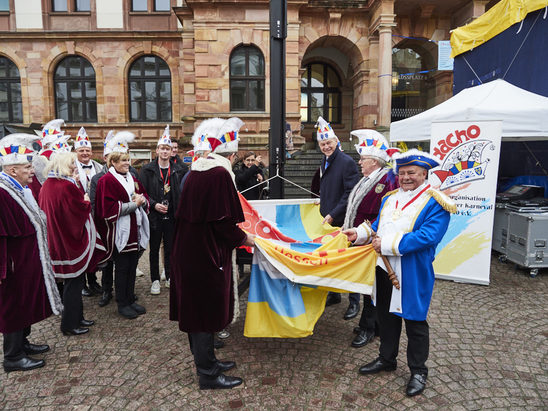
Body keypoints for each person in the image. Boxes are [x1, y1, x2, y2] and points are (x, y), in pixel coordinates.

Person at [342, 149, 456, 397]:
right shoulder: (390, 197)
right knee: (386, 317)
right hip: (383, 268)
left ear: (424, 173)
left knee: (415, 321)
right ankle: (387, 358)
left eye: (411, 173)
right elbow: (377, 225)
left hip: (412, 270)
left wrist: (385, 244)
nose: (405, 177)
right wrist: (360, 233)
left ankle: (418, 370)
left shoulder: (435, 201)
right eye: (402, 173)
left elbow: (428, 236)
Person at [170, 117, 255, 390]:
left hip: (191, 253)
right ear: (230, 156)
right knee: (203, 314)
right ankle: (207, 373)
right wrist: (246, 238)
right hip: (204, 257)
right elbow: (221, 222)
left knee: (197, 312)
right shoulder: (218, 175)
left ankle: (208, 361)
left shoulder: (197, 171)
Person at [0, 133, 63, 372]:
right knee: (13, 307)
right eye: (27, 167)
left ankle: (22, 343)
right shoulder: (3, 192)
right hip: (12, 265)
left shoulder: (19, 188)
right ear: (13, 170)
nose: (32, 170)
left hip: (25, 260)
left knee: (23, 303)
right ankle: (13, 356)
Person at [342, 130, 399, 348]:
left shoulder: (386, 180)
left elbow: (383, 215)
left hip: (372, 243)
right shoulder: (369, 179)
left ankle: (369, 327)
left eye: (363, 159)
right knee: (367, 284)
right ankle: (372, 324)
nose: (360, 162)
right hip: (361, 239)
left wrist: (365, 232)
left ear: (374, 162)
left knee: (372, 287)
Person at [38, 152, 105, 336]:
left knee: (74, 282)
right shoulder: (64, 186)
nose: (75, 167)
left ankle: (78, 317)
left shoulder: (47, 185)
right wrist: (85, 200)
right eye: (71, 165)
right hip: (68, 242)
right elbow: (79, 209)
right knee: (73, 284)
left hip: (57, 240)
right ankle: (69, 324)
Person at [95, 132, 150, 320]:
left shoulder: (131, 177)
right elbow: (107, 210)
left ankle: (130, 297)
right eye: (123, 161)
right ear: (113, 162)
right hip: (120, 232)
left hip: (135, 229)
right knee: (122, 267)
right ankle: (122, 303)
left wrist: (143, 200)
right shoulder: (106, 181)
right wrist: (135, 204)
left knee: (133, 264)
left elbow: (142, 194)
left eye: (128, 160)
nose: (128, 163)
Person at [315, 116, 361, 317]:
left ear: (336, 142)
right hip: (330, 219)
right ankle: (334, 294)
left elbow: (350, 193)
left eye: (329, 143)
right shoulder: (325, 160)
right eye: (323, 144)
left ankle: (354, 301)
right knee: (333, 259)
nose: (326, 147)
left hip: (344, 220)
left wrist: (334, 213)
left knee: (349, 261)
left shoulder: (346, 162)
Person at [140, 125, 187, 295]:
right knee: (153, 249)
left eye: (168, 149)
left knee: (170, 248)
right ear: (157, 150)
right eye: (162, 148)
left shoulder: (179, 170)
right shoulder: (147, 170)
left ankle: (169, 276)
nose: (165, 151)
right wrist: (153, 204)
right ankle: (154, 280)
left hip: (172, 216)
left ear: (171, 151)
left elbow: (182, 192)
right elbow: (142, 192)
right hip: (154, 216)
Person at [74, 127, 104, 297]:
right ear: (75, 152)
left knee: (94, 248)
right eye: (81, 150)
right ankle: (83, 284)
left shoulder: (99, 167)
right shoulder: (72, 169)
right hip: (80, 215)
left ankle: (93, 280)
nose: (85, 153)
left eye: (87, 150)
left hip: (96, 213)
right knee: (82, 248)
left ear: (92, 152)